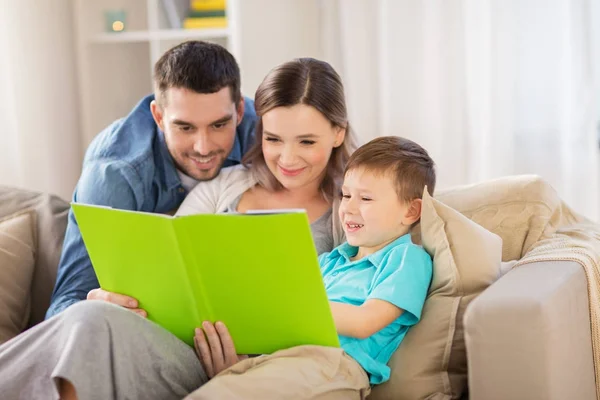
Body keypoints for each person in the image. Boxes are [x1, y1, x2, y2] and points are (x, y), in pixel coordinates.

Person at [0, 57, 356, 400]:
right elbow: (171, 260)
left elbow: (356, 316)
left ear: (338, 133)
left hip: (264, 368)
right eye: (273, 139)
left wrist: (245, 369)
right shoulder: (226, 183)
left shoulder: (352, 209)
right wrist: (112, 298)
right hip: (178, 348)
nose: (287, 158)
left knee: (89, 322)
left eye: (306, 142)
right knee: (90, 314)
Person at [186, 136, 436, 400]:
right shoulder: (330, 261)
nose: (348, 207)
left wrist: (289, 304)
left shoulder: (407, 258)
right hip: (279, 360)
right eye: (346, 194)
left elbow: (365, 322)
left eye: (365, 198)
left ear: (410, 212)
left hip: (333, 365)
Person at [47, 40, 257, 319]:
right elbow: (62, 309)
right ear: (158, 116)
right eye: (185, 127)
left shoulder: (267, 135)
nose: (203, 147)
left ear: (239, 111)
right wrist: (95, 309)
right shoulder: (114, 175)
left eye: (219, 125)